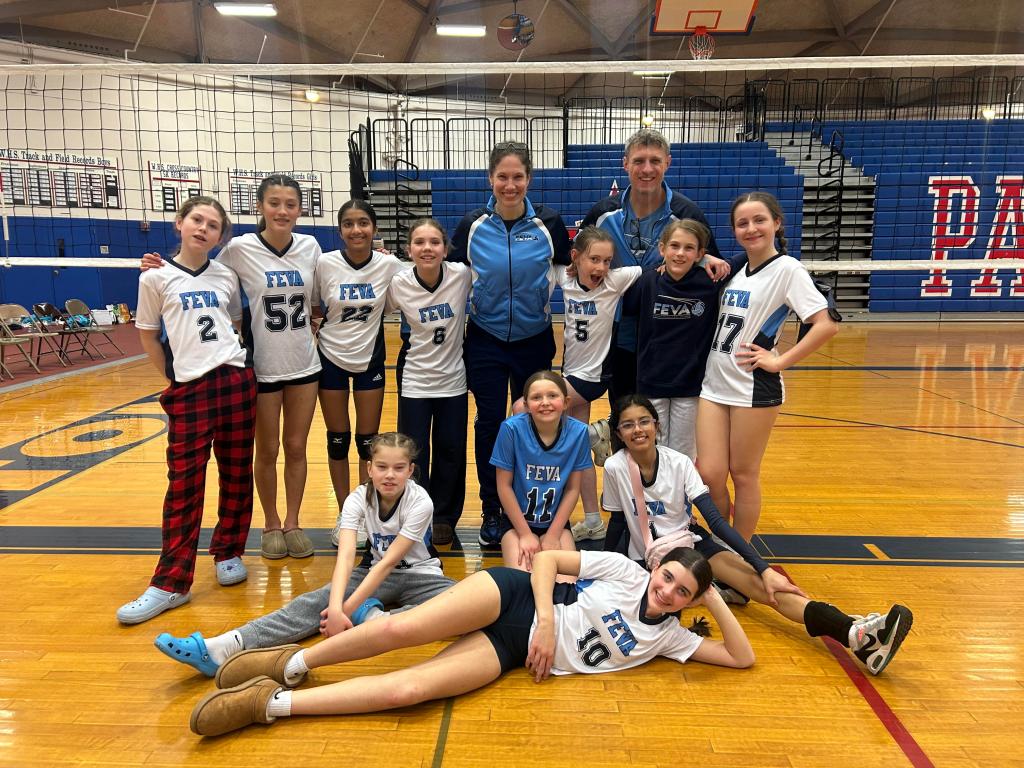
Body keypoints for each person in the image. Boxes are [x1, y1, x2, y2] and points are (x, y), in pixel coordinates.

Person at [187, 546, 755, 736]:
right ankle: (291, 662)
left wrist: (714, 597)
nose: (667, 591)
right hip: (513, 598)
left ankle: (270, 703)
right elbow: (550, 559)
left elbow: (739, 657)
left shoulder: (671, 639)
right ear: (655, 570)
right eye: (669, 578)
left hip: (508, 652)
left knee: (405, 692)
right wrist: (549, 620)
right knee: (399, 628)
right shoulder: (627, 572)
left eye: (682, 592)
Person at [603, 394, 912, 676]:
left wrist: (764, 568)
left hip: (691, 545)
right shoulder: (616, 467)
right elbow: (617, 524)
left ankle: (856, 635)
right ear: (618, 433)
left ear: (656, 426)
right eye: (628, 425)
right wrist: (608, 572)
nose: (638, 430)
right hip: (651, 561)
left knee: (767, 588)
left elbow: (717, 522)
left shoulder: (679, 463)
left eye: (644, 421)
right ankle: (721, 592)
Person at [153, 432, 455, 675]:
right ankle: (223, 646)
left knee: (463, 604)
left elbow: (390, 561)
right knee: (315, 601)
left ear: (411, 470)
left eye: (399, 468)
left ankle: (373, 618)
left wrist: (348, 611)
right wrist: (336, 608)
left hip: (420, 575)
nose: (390, 475)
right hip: (373, 574)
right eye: (382, 467)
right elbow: (347, 557)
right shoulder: (356, 499)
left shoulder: (421, 501)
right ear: (369, 468)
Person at [141, 175, 322, 561]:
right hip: (261, 367)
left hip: (305, 362)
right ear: (260, 206)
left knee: (296, 447)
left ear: (300, 209)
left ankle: (293, 521)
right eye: (274, 202)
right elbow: (197, 269)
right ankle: (271, 524)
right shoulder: (239, 249)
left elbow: (324, 293)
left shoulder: (310, 246)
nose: (282, 210)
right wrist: (157, 266)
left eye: (291, 204)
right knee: (268, 449)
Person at [118, 196, 256, 625]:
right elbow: (147, 336)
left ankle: (229, 551)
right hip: (189, 389)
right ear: (180, 223)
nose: (204, 229)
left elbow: (232, 323)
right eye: (197, 220)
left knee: (237, 473)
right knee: (184, 484)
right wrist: (174, 379)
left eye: (214, 225)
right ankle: (171, 582)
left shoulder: (226, 275)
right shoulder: (155, 277)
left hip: (234, 381)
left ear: (220, 236)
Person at [448, 141, 572, 548]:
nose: (510, 184)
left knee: (536, 421)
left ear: (529, 179)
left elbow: (575, 273)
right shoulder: (472, 226)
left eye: (518, 177)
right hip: (485, 339)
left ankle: (533, 507)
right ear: (490, 179)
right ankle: (491, 508)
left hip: (534, 340)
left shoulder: (549, 225)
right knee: (490, 424)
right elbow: (446, 277)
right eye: (502, 176)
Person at [697, 192, 840, 540]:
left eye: (759, 220)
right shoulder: (737, 270)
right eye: (742, 223)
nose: (751, 228)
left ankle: (739, 554)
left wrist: (779, 361)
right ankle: (721, 542)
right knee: (709, 474)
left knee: (743, 473)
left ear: (776, 223)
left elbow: (825, 324)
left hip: (753, 387)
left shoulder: (788, 270)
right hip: (714, 384)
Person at [582, 128, 726, 407]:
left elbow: (711, 271)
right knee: (624, 419)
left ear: (668, 163)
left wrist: (709, 261)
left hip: (672, 343)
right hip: (620, 338)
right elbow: (577, 261)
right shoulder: (602, 214)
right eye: (639, 161)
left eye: (655, 161)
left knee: (668, 429)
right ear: (625, 164)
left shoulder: (688, 214)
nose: (647, 169)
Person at [316, 200, 407, 545]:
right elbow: (311, 302)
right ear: (340, 230)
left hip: (370, 358)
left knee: (367, 444)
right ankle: (345, 515)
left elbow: (422, 278)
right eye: (349, 224)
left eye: (363, 223)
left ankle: (364, 511)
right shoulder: (325, 264)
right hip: (330, 357)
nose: (357, 230)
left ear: (374, 228)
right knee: (337, 440)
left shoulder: (389, 266)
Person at [622, 219, 745, 461]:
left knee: (682, 456)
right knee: (650, 452)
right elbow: (623, 307)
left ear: (700, 253)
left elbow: (748, 255)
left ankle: (678, 499)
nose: (680, 253)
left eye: (689, 248)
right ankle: (650, 499)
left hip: (690, 386)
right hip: (650, 382)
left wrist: (710, 260)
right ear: (662, 249)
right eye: (674, 246)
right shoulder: (647, 282)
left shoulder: (710, 281)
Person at [550, 226, 642, 542]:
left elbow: (654, 262)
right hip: (571, 371)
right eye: (594, 260)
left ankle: (600, 431)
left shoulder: (615, 281)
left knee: (531, 409)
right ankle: (592, 520)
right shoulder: (564, 277)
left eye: (607, 261)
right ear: (577, 258)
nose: (601, 268)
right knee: (577, 452)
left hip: (592, 378)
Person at [385, 219, 471, 545]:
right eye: (419, 242)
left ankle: (444, 516)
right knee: (414, 452)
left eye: (434, 242)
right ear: (409, 250)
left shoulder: (460, 276)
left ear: (445, 249)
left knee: (450, 450)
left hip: (453, 379)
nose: (427, 248)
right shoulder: (399, 282)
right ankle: (415, 514)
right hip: (415, 378)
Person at [492, 371, 591, 572]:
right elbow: (503, 486)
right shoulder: (510, 429)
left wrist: (553, 535)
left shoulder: (579, 433)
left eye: (552, 396)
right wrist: (526, 534)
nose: (545, 402)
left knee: (566, 586)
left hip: (556, 524)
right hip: (516, 524)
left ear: (566, 402)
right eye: (536, 397)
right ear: (526, 406)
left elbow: (573, 489)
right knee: (523, 583)